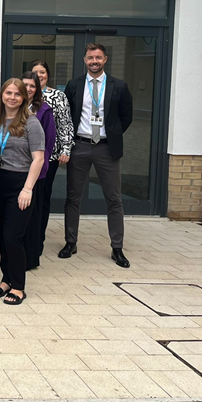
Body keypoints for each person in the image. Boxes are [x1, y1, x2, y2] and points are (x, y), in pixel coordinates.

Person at [59, 43, 133, 268]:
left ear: (105, 59)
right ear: (84, 60)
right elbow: (68, 115)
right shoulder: (74, 85)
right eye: (90, 57)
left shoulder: (118, 86)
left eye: (98, 57)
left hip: (106, 148)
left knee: (114, 198)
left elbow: (126, 117)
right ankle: (70, 242)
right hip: (79, 146)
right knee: (73, 196)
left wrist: (110, 135)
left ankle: (117, 247)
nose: (94, 61)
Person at [0, 79, 45, 305]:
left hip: (21, 183)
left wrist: (28, 189)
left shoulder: (32, 123)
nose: (12, 97)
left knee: (13, 236)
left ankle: (19, 286)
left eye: (17, 94)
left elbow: (38, 159)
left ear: (24, 98)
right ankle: (6, 279)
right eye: (8, 93)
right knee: (2, 234)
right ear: (2, 95)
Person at [30, 59, 74, 258]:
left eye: (42, 72)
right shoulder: (24, 95)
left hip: (50, 156)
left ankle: (38, 240)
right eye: (35, 72)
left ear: (48, 74)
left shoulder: (57, 96)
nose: (39, 75)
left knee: (42, 199)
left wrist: (66, 148)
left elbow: (65, 124)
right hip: (26, 159)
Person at [20, 71, 57, 270]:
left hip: (35, 172)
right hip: (14, 170)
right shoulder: (13, 106)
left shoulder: (43, 111)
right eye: (24, 84)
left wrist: (38, 166)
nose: (28, 89)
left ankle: (31, 257)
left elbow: (48, 143)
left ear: (37, 89)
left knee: (33, 217)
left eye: (32, 86)